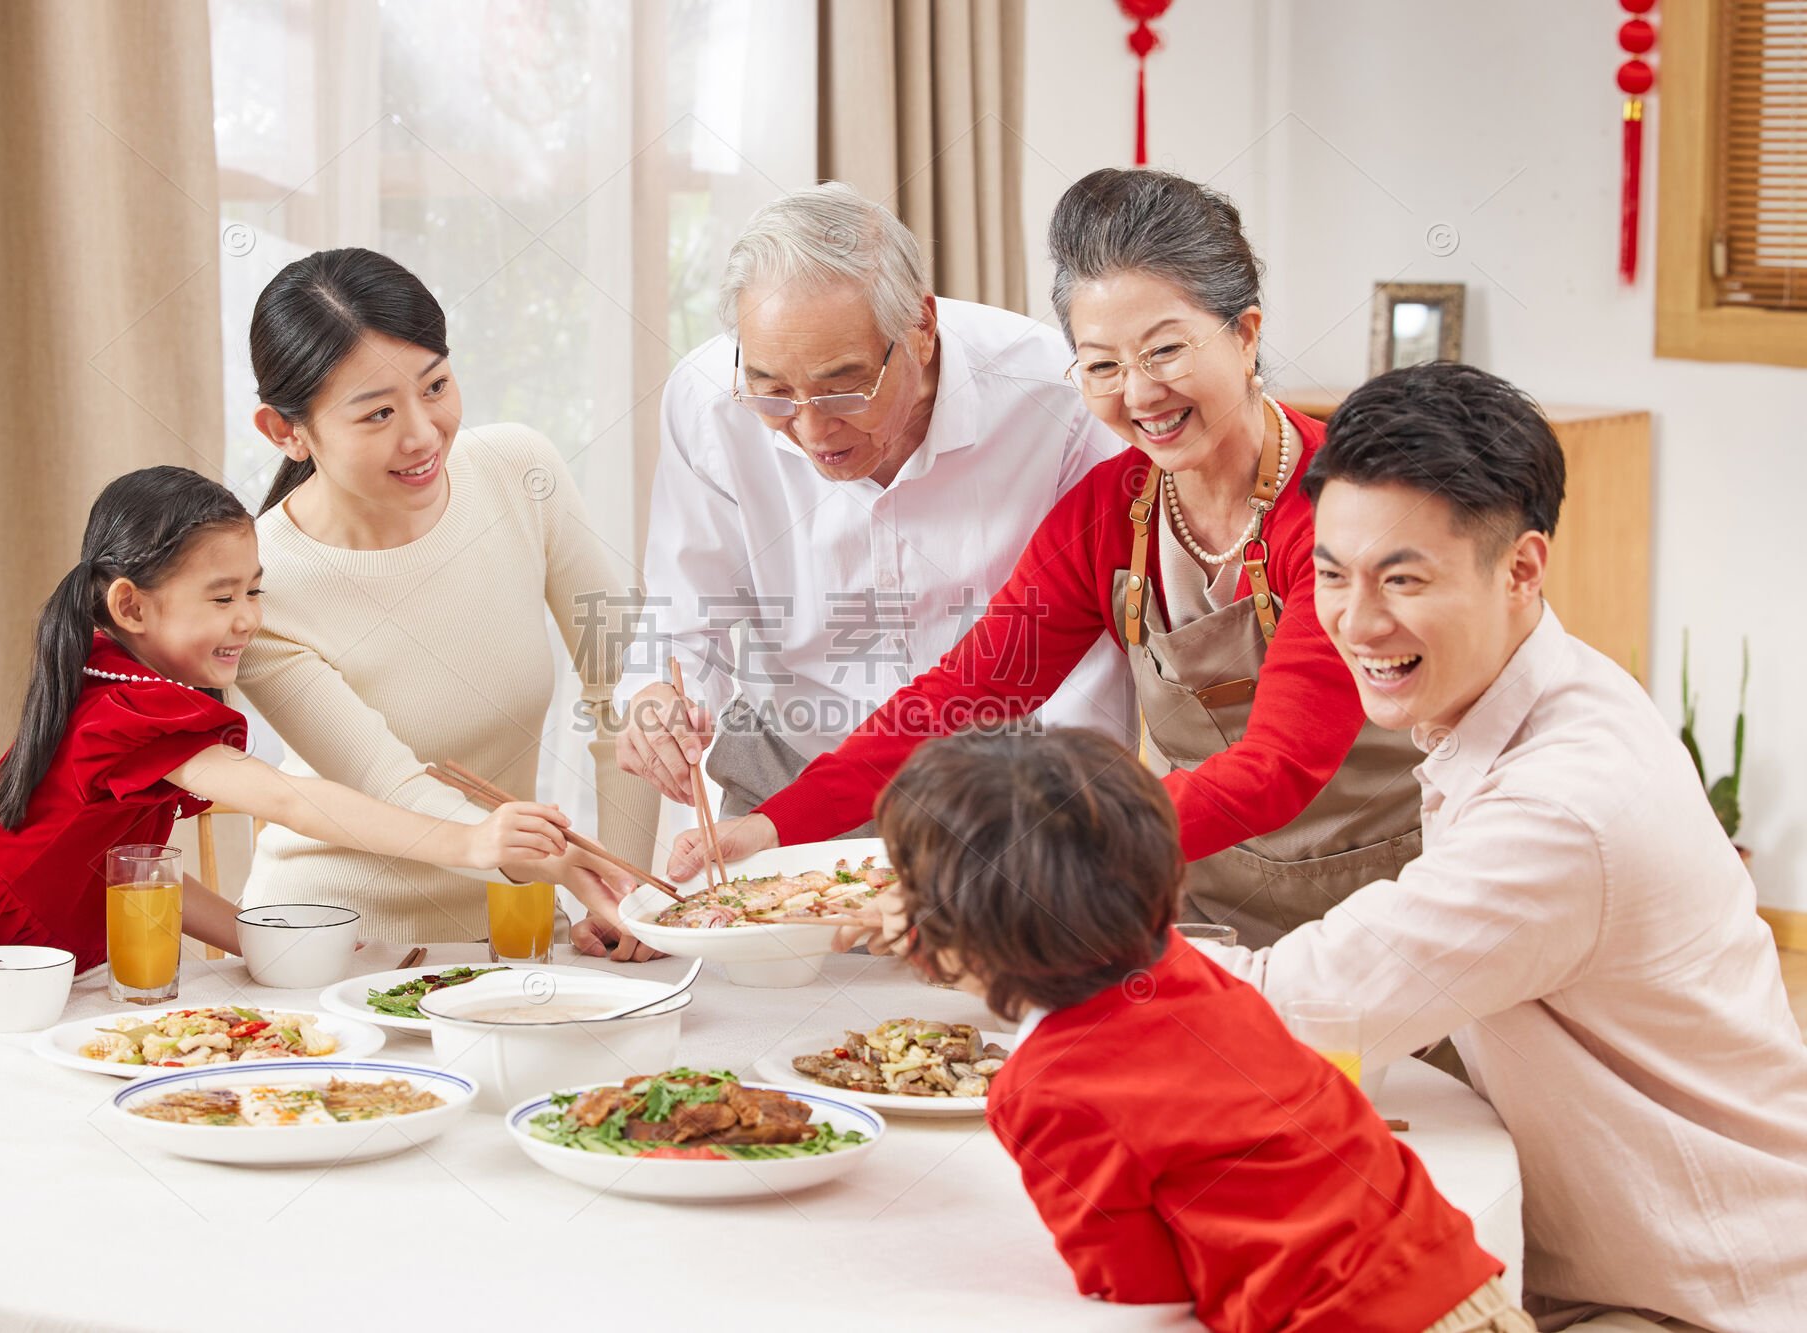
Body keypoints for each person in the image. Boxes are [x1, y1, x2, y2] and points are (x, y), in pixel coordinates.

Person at [1197, 362, 1807, 1328]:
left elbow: (1294, 1009)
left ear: (1521, 568)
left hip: (1688, 1300)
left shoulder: (1563, 806)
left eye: (1404, 578)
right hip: (1592, 1252)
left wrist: (1050, 937)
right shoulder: (1534, 690)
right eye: (1330, 573)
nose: (1356, 620)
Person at [675, 169, 1420, 950]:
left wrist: (1029, 847)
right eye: (1101, 365)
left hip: (1383, 905)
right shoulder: (1110, 512)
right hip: (1200, 897)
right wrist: (773, 825)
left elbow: (1277, 768)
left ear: (1245, 333)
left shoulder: (1343, 509)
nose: (1139, 393)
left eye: (1165, 351)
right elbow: (962, 693)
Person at [0, 468, 583, 1029]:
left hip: (15, 950)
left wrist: (268, 940)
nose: (247, 618)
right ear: (129, 604)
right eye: (221, 597)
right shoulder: (129, 711)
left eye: (254, 590)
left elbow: (132, 878)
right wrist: (471, 840)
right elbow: (285, 796)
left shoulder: (104, 683)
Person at [860, 726, 1529, 1332]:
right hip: (1470, 1293)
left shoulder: (1045, 1088)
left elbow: (1147, 1296)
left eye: (909, 885)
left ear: (956, 933)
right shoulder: (1190, 971)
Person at [613, 181, 1132, 830]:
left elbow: (1094, 640)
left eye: (842, 391)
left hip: (1006, 789)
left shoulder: (1052, 394)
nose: (810, 431)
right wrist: (661, 695)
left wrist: (1075, 823)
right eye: (772, 392)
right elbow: (689, 610)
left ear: (920, 327)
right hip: (792, 767)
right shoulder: (707, 400)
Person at [235, 248, 659, 956]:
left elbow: (623, 690)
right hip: (329, 947)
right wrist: (568, 869)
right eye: (376, 414)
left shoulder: (521, 472)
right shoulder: (258, 579)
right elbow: (390, 780)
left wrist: (624, 893)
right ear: (287, 432)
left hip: (514, 933)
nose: (423, 434)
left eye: (435, 386)